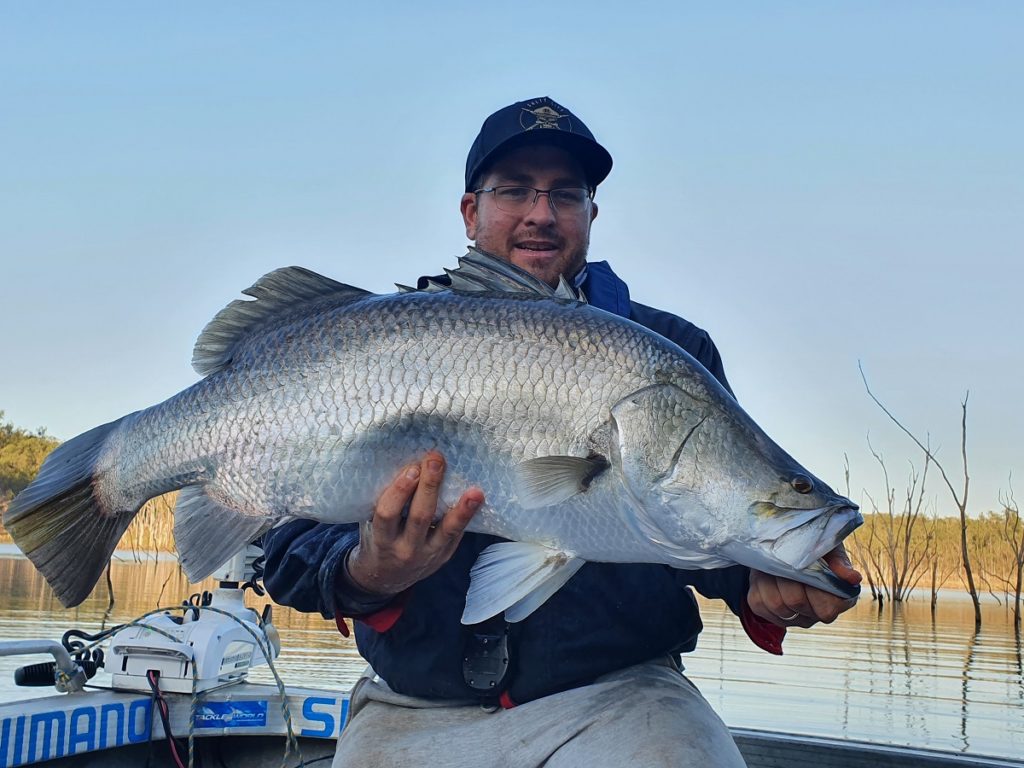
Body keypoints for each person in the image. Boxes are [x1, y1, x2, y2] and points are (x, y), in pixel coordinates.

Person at [261, 96, 861, 767]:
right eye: (514, 189)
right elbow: (284, 550)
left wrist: (763, 583)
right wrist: (365, 572)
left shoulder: (672, 350)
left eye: (566, 194)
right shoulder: (378, 342)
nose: (541, 212)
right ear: (471, 212)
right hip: (411, 710)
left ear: (591, 215)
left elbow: (702, 520)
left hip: (624, 701)